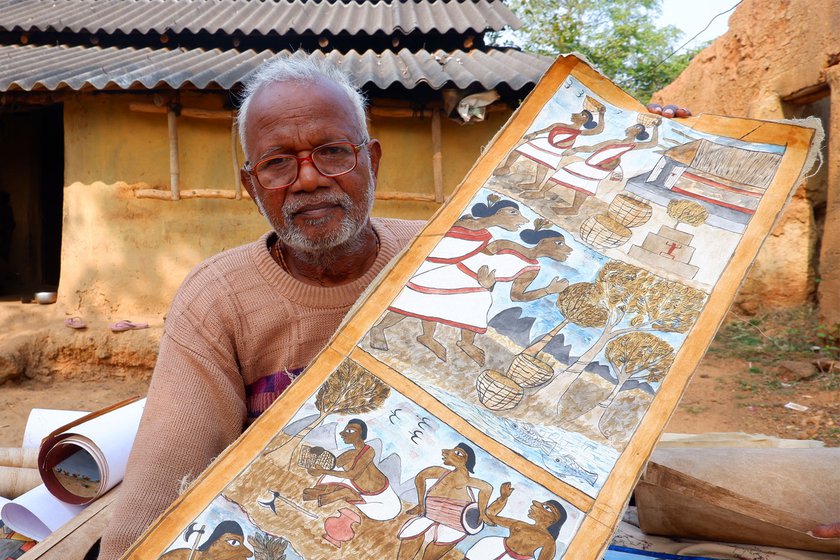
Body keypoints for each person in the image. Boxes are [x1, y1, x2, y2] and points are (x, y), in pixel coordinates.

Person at [98, 57, 424, 559]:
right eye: (277, 163)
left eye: (333, 152)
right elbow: (161, 485)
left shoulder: (437, 256)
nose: (310, 179)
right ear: (252, 186)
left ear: (371, 161)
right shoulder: (216, 298)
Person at [397, 443, 493, 560]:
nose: (445, 451)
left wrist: (482, 513)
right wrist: (421, 505)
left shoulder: (469, 481)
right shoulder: (442, 472)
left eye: (458, 453)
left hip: (453, 526)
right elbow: (420, 476)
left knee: (429, 556)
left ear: (465, 461)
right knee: (409, 540)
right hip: (429, 516)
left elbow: (487, 488)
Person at [302, 419, 402, 521]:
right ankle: (321, 496)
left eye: (350, 431)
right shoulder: (350, 454)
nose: (342, 433)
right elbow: (333, 464)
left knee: (344, 491)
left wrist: (323, 471)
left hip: (384, 506)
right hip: (363, 492)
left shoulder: (369, 451)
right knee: (328, 486)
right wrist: (319, 455)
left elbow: (352, 475)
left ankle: (325, 497)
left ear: (361, 434)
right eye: (344, 430)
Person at [465, 482, 567, 560]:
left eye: (547, 508)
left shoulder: (549, 541)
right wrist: (503, 497)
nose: (536, 504)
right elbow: (490, 515)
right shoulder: (520, 525)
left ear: (554, 519)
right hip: (496, 547)